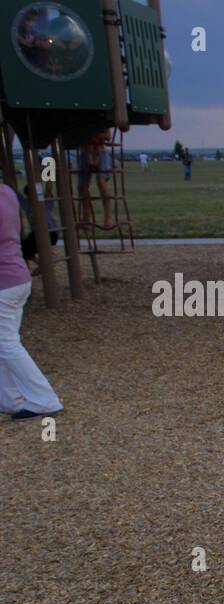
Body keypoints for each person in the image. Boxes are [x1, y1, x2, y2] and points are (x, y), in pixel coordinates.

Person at [0, 183, 63, 421]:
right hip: (16, 277)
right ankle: (11, 399)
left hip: (4, 282)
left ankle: (44, 399)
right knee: (5, 343)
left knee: (6, 343)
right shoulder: (6, 192)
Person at [77, 130, 114, 227]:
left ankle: (108, 218)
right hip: (85, 152)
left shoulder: (101, 119)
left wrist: (92, 135)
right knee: (82, 186)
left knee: (101, 182)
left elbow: (108, 136)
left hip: (101, 151)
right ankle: (86, 217)